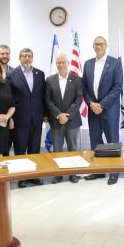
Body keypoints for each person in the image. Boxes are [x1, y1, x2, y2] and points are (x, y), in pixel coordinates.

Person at [82, 36, 123, 185]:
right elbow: (84, 87)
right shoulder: (87, 64)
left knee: (112, 142)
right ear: (93, 46)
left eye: (101, 44)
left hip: (109, 110)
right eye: (96, 44)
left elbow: (117, 87)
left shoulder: (115, 63)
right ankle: (98, 171)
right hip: (93, 110)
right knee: (95, 142)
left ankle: (114, 172)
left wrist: (102, 105)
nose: (98, 46)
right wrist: (92, 104)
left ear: (106, 46)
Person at [5, 48, 46, 188]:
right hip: (19, 119)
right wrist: (9, 117)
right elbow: (8, 98)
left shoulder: (40, 74)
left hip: (36, 118)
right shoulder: (11, 74)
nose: (27, 58)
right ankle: (21, 177)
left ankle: (33, 176)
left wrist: (45, 114)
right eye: (24, 56)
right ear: (19, 58)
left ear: (32, 58)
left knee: (35, 148)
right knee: (20, 149)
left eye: (29, 56)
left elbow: (42, 96)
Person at [45, 53, 83, 184]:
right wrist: (59, 115)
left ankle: (73, 174)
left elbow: (79, 99)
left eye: (63, 62)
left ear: (68, 63)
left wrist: (67, 115)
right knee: (57, 149)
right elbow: (48, 100)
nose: (60, 65)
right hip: (56, 121)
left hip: (72, 121)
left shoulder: (77, 79)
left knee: (73, 148)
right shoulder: (50, 80)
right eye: (58, 63)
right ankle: (58, 174)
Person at [0, 44, 14, 156]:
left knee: (6, 146)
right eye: (2, 53)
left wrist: (10, 117)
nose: (5, 56)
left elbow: (14, 96)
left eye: (7, 53)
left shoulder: (14, 72)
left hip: (10, 115)